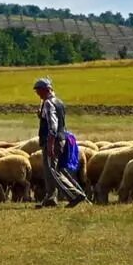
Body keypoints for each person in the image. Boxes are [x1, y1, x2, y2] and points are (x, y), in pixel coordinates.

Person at [33, 77, 86, 208]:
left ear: (45, 90)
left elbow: (53, 126)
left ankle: (75, 195)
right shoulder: (59, 102)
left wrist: (50, 144)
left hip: (53, 140)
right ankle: (51, 198)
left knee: (53, 170)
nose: (37, 94)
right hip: (61, 139)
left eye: (38, 91)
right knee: (50, 170)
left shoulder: (48, 103)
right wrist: (41, 116)